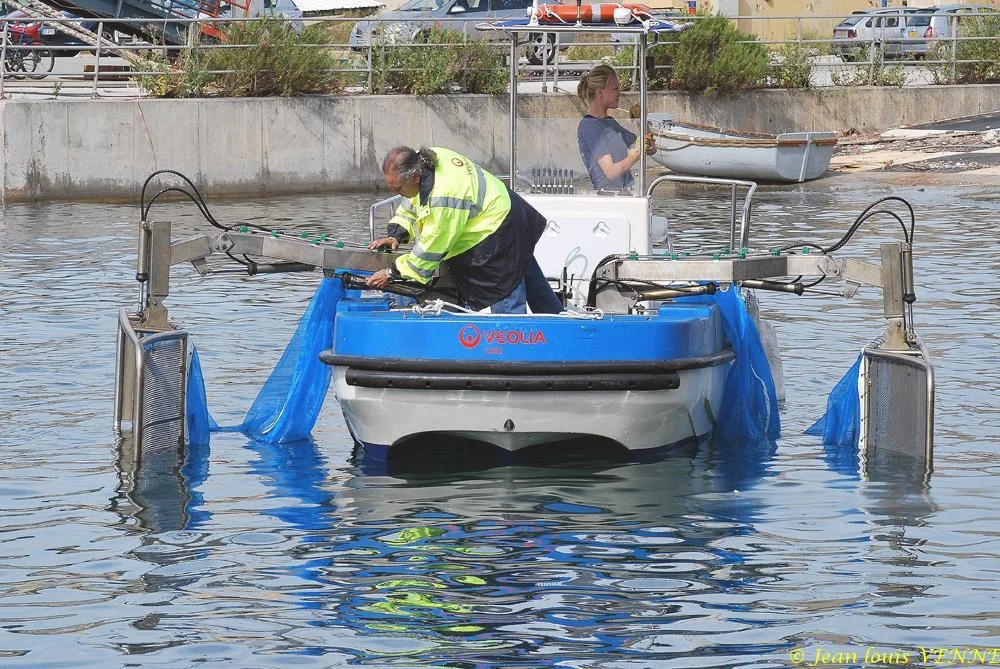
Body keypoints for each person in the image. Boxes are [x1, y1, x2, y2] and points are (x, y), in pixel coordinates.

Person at [366, 146, 563, 314]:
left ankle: (513, 354)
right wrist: (397, 234)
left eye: (398, 189)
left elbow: (430, 251)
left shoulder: (444, 197)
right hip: (509, 212)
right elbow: (413, 201)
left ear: (415, 177)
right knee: (537, 289)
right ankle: (562, 332)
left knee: (505, 299)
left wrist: (391, 272)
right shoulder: (425, 158)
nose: (396, 193)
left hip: (498, 235)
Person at [576, 64, 655, 193]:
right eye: (615, 89)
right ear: (600, 93)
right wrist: (636, 154)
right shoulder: (589, 126)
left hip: (623, 193)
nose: (619, 94)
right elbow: (611, 172)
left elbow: (651, 149)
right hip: (609, 198)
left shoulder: (610, 124)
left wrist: (642, 121)